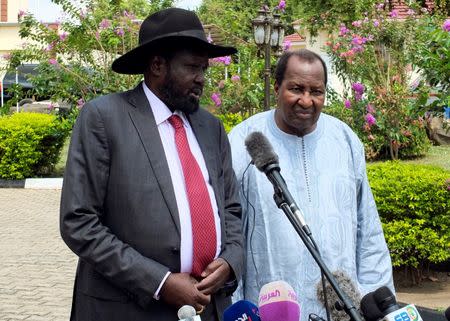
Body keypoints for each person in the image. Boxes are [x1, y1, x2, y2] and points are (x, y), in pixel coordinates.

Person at [60, 8, 244, 321]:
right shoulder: (104, 119)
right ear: (157, 65)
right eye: (191, 67)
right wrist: (159, 282)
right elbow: (79, 222)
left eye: (204, 68)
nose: (201, 78)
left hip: (208, 308)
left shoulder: (210, 127)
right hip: (127, 309)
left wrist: (230, 260)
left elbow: (231, 209)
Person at [228, 49, 394, 321]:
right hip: (271, 307)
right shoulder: (244, 140)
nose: (306, 101)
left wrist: (376, 300)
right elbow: (228, 233)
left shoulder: (345, 140)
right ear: (277, 87)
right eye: (296, 89)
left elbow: (368, 230)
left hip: (342, 308)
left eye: (316, 91)